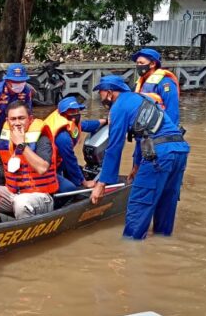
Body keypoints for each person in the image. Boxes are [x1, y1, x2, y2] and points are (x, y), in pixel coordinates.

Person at [89, 75, 189, 240]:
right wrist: (136, 166)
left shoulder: (118, 107)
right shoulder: (142, 99)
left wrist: (101, 184)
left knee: (140, 203)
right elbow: (142, 135)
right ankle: (162, 243)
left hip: (159, 153)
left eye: (100, 93)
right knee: (166, 201)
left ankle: (130, 248)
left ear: (109, 92)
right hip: (180, 149)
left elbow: (114, 147)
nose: (101, 99)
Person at [0, 101, 58, 219]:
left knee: (21, 202)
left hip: (40, 196)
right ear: (7, 121)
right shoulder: (3, 141)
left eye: (21, 118)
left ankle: (25, 234)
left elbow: (42, 168)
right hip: (13, 193)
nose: (17, 123)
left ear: (30, 119)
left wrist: (21, 144)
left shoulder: (42, 139)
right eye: (13, 119)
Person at [43, 96, 105, 193]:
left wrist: (104, 121)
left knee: (79, 170)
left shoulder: (69, 123)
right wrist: (84, 182)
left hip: (58, 163)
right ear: (63, 113)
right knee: (70, 188)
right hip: (47, 169)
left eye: (77, 111)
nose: (75, 114)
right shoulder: (62, 137)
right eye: (71, 111)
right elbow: (70, 160)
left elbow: (85, 125)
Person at [0, 63, 34, 143]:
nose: (19, 84)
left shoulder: (27, 91)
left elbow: (29, 112)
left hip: (17, 125)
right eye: (15, 81)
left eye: (21, 81)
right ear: (7, 81)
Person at [132, 48, 181, 125]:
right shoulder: (139, 83)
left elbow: (172, 110)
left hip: (159, 130)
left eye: (141, 63)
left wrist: (171, 132)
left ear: (152, 64)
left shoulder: (165, 83)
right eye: (137, 63)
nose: (138, 66)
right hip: (142, 128)